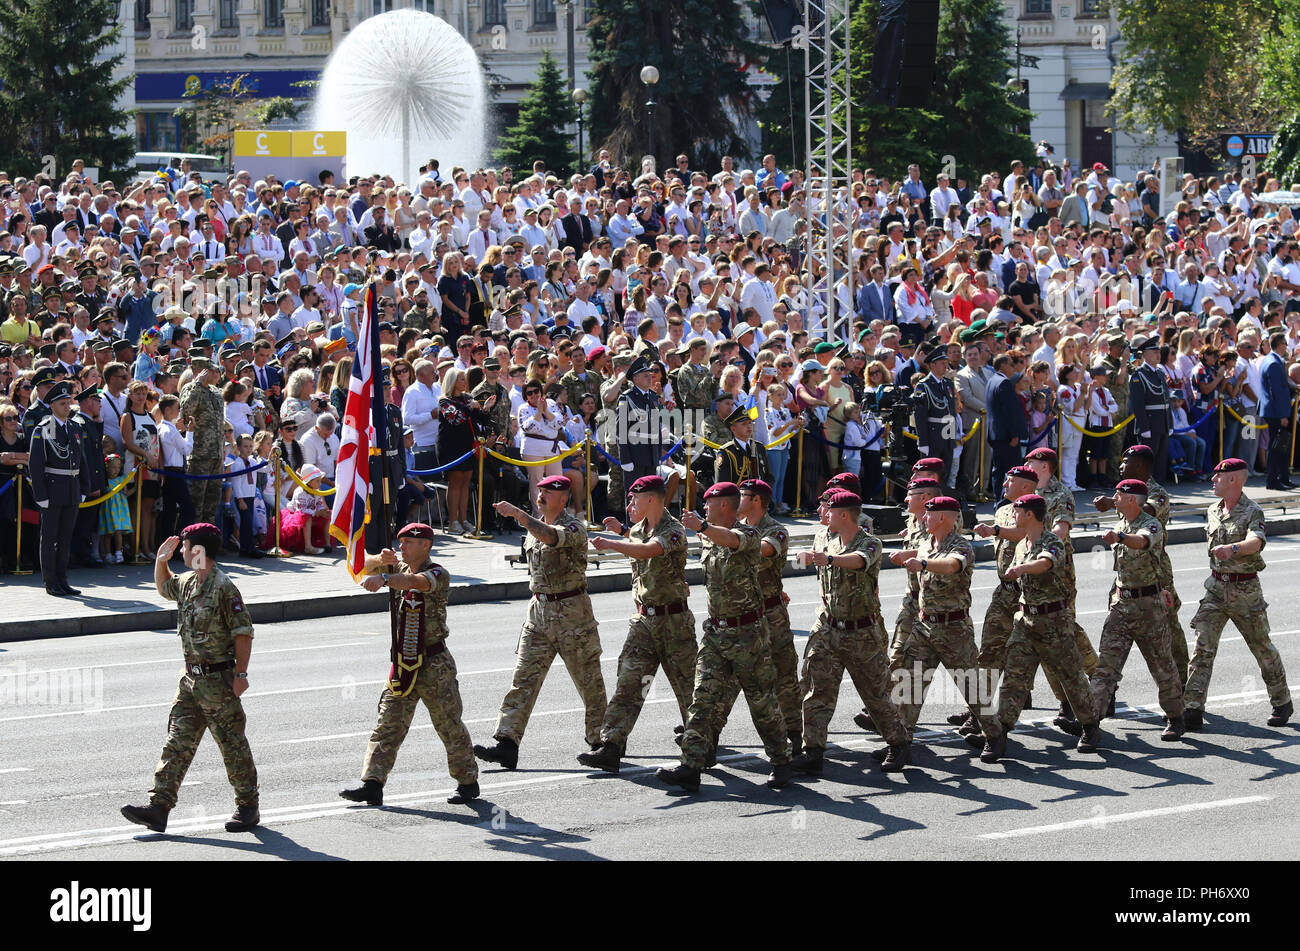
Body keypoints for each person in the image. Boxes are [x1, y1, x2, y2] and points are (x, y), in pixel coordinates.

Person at [119, 524, 258, 834]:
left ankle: (248, 806)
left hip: (219, 681)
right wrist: (160, 561)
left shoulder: (224, 587)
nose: (181, 551)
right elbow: (164, 586)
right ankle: (159, 807)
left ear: (198, 552)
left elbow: (243, 634)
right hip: (191, 681)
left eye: (184, 547)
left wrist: (241, 675)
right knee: (176, 743)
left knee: (232, 746)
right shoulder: (188, 581)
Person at [656, 481, 793, 793]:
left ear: (725, 507)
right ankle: (690, 766)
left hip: (748, 634)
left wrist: (703, 526)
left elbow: (733, 540)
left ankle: (782, 759)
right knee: (701, 699)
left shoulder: (748, 533)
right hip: (717, 631)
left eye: (710, 504)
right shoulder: (708, 538)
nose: (705, 508)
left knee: (761, 701)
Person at [340, 522, 479, 807]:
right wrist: (380, 561)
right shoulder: (397, 568)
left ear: (425, 545)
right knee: (388, 722)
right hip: (404, 660)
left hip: (434, 663)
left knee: (448, 724)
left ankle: (467, 781)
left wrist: (385, 580)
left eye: (407, 542)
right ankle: (372, 783)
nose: (401, 546)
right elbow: (358, 568)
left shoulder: (439, 572)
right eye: (400, 542)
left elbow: (417, 583)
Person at [475, 476, 607, 769]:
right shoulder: (535, 527)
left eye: (549, 492)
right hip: (539, 613)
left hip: (572, 613)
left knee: (589, 682)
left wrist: (519, 516)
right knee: (523, 679)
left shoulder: (573, 526)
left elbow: (552, 536)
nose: (541, 495)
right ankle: (507, 742)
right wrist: (525, 520)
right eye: (541, 491)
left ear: (563, 498)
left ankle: (603, 743)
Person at [580, 476, 696, 773]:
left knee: (688, 689)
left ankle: (699, 746)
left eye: (634, 499)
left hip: (674, 622)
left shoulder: (674, 531)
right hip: (644, 621)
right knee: (628, 685)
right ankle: (612, 746)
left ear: (651, 499)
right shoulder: (636, 531)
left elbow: (648, 550)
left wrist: (613, 543)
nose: (630, 504)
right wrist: (621, 534)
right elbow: (639, 547)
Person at [791, 488, 910, 773]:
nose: (823, 514)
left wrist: (830, 559)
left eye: (829, 510)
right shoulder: (826, 537)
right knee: (817, 691)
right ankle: (813, 751)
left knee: (875, 694)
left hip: (862, 633)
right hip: (829, 628)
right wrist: (808, 556)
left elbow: (858, 560)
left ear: (844, 514)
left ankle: (898, 743)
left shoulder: (870, 543)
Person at [979, 494, 1101, 762]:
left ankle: (1090, 726)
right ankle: (999, 735)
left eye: (1018, 511)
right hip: (1025, 622)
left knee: (1071, 676)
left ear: (1030, 515)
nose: (1014, 515)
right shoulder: (1022, 543)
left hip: (1053, 622)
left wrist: (1022, 568)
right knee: (1014, 679)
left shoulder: (1052, 542)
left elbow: (1045, 562)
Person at [1183, 457, 1291, 731]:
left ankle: (1282, 702)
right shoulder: (1212, 510)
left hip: (1245, 590)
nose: (1212, 480)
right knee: (1202, 648)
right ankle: (1192, 708)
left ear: (1233, 479)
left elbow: (1257, 541)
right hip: (1216, 588)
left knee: (1261, 648)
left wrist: (1233, 549)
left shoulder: (1253, 510)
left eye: (1217, 476)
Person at [894, 495, 1005, 752]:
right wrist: (906, 554)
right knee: (909, 685)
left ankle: (996, 736)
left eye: (929, 514)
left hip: (953, 628)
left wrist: (922, 563)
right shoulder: (926, 543)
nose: (923, 518)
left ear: (943, 517)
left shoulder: (961, 546)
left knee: (971, 687)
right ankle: (899, 743)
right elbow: (923, 552)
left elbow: (952, 565)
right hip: (924, 627)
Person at [707, 479, 801, 757]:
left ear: (757, 500)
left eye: (743, 495)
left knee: (784, 676)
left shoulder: (776, 531)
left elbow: (760, 549)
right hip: (739, 617)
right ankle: (707, 735)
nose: (738, 499)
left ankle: (794, 735)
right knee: (728, 679)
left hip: (771, 614)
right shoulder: (728, 529)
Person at [1088, 479, 1187, 742]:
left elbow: (1142, 542)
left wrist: (1120, 537)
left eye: (1118, 494)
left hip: (1148, 606)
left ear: (1132, 499)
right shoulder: (1122, 522)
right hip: (1121, 604)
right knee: (1106, 667)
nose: (1114, 498)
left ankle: (1176, 718)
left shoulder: (1150, 524)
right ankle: (1090, 724)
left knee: (1161, 665)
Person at [968, 465, 1041, 727]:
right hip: (1005, 591)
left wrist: (996, 531)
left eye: (1011, 481)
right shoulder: (1001, 511)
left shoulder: (1039, 509)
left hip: (1032, 594)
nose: (1005, 484)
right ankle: (979, 713)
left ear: (1026, 486)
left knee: (1054, 654)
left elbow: (1025, 534)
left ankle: (1074, 705)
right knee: (990, 650)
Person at [27, 380, 92, 596]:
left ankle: (63, 579)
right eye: (63, 403)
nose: (67, 406)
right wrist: (41, 494)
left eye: (68, 402)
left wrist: (84, 487)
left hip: (72, 489)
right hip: (53, 490)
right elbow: (36, 465)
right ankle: (50, 581)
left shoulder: (74, 427)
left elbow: (81, 461)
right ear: (52, 406)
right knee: (50, 538)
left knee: (65, 538)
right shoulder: (45, 428)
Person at [179, 356, 227, 532]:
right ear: (200, 371)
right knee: (196, 503)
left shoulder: (216, 392)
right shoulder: (191, 389)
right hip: (200, 455)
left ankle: (208, 541)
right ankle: (193, 540)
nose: (216, 374)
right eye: (211, 370)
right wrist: (197, 385)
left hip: (217, 455)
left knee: (212, 502)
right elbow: (185, 411)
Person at [1128, 335, 1173, 482]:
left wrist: (1170, 423)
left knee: (1161, 460)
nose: (1158, 355)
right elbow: (1138, 404)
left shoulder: (1160, 373)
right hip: (1150, 422)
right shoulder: (1138, 375)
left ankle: (1159, 492)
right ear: (1145, 355)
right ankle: (1146, 490)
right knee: (1148, 461)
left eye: (1158, 352)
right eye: (1154, 352)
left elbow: (1167, 401)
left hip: (1163, 423)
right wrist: (1144, 427)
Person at [1258, 331, 1296, 490]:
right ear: (1279, 345)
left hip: (1273, 409)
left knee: (1281, 445)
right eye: (1284, 344)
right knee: (1276, 447)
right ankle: (1273, 480)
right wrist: (1282, 415)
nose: (1286, 346)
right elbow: (1276, 391)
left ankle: (1283, 477)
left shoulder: (1272, 360)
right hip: (1275, 411)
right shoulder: (1273, 363)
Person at [713, 404, 769, 484]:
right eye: (744, 424)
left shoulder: (759, 447)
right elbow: (722, 483)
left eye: (750, 423)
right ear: (733, 429)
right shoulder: (726, 452)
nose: (749, 426)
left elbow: (769, 477)